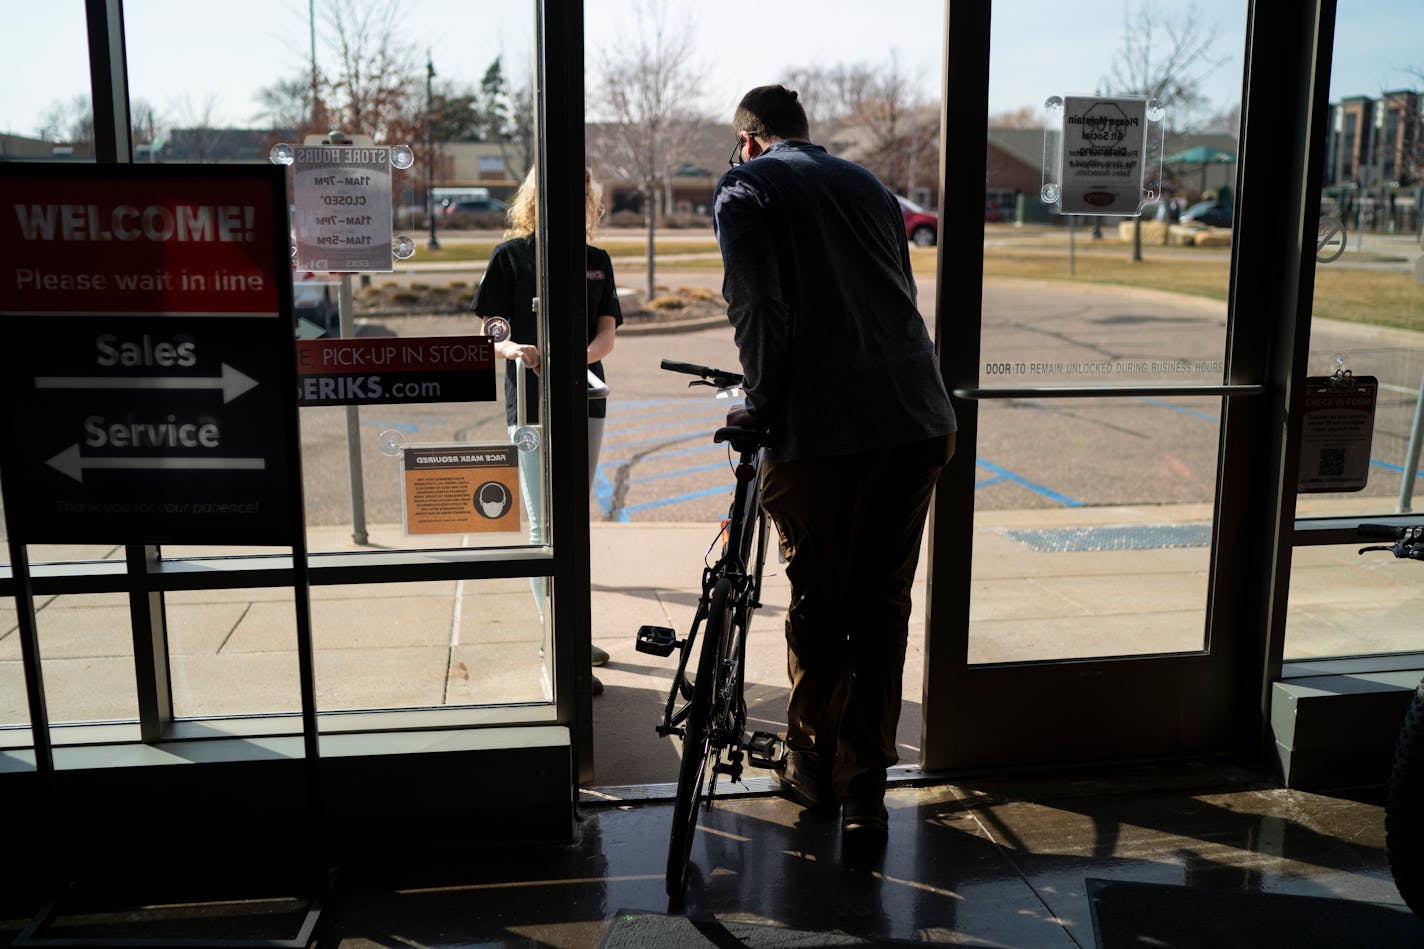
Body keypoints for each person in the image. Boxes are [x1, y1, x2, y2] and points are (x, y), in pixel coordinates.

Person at [713, 85, 957, 837]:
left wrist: (760, 400)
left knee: (820, 603)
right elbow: (897, 295)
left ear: (749, 138)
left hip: (824, 431)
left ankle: (812, 764)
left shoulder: (746, 184)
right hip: (917, 419)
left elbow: (756, 306)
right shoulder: (868, 185)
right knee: (883, 606)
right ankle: (867, 794)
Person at [471, 166, 622, 695]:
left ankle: (571, 629)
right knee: (541, 524)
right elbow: (490, 328)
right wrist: (512, 348)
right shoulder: (511, 257)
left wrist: (578, 358)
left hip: (585, 399)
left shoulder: (595, 261)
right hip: (531, 405)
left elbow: (607, 331)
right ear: (537, 194)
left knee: (572, 519)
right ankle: (560, 636)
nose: (575, 197)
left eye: (582, 190)